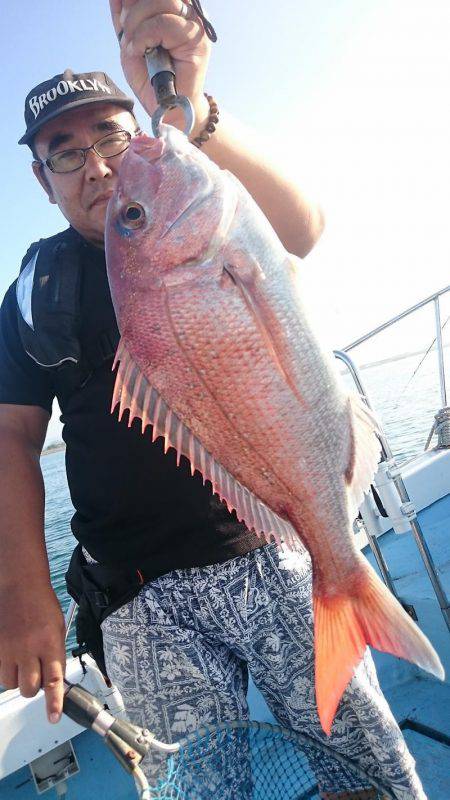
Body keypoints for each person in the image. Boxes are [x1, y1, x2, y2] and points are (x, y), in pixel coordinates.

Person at [0, 2, 426, 798]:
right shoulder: (32, 292)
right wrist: (25, 592)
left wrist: (191, 101)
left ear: (139, 134)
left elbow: (302, 227)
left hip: (264, 547)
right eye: (66, 154)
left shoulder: (211, 201)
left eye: (110, 138)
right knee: (203, 788)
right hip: (133, 596)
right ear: (40, 178)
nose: (96, 166)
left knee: (364, 761)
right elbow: (11, 440)